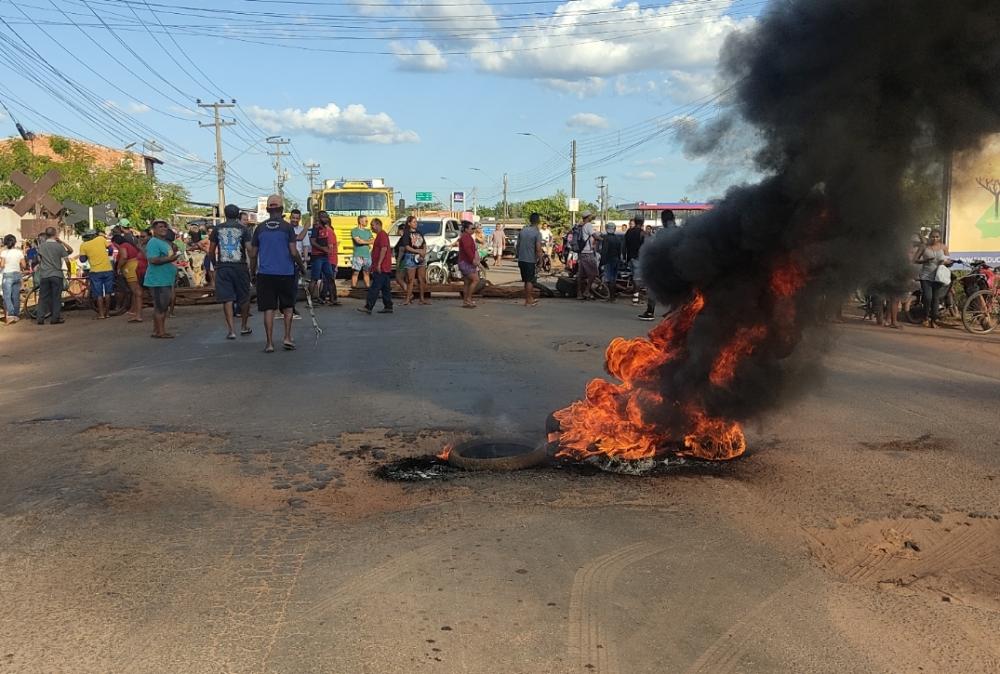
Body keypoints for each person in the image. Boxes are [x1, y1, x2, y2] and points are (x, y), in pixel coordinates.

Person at [250, 194, 306, 352]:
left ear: (268, 210)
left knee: (269, 309)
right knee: (288, 307)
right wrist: (301, 267)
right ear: (282, 210)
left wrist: (252, 272)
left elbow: (253, 254)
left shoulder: (259, 228)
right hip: (286, 273)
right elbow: (294, 252)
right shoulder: (288, 228)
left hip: (265, 274)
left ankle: (269, 343)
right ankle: (287, 337)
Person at [210, 204, 254, 340]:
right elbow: (250, 250)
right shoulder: (243, 229)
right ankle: (244, 326)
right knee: (244, 297)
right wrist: (252, 268)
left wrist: (216, 264)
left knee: (227, 299)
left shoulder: (217, 229)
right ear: (237, 214)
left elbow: (211, 250)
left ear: (225, 213)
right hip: (240, 266)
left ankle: (231, 330)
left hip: (223, 266)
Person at [143, 220, 179, 338]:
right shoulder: (154, 242)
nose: (163, 229)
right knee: (161, 307)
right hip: (158, 280)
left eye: (165, 227)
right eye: (160, 227)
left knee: (161, 306)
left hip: (165, 278)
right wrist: (171, 259)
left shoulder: (163, 242)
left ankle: (157, 330)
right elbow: (153, 260)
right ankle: (160, 332)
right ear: (154, 230)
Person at [914, 227, 951, 328]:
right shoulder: (924, 247)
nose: (934, 239)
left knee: (936, 299)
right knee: (927, 297)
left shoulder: (944, 247)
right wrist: (925, 261)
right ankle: (925, 317)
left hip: (939, 276)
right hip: (926, 276)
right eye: (933, 237)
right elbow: (915, 259)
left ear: (939, 238)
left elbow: (949, 261)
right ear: (929, 237)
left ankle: (934, 320)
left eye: (937, 237)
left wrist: (944, 262)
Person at [35, 227, 72, 325]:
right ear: (55, 234)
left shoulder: (41, 247)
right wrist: (69, 271)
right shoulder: (59, 246)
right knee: (56, 297)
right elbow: (68, 258)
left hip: (45, 275)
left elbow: (39, 259)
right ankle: (55, 318)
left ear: (46, 235)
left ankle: (40, 318)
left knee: (43, 297)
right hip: (57, 274)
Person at [357, 217, 393, 315]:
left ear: (378, 224)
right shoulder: (380, 235)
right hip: (384, 266)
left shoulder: (382, 235)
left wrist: (379, 264)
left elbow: (384, 249)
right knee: (385, 288)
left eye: (372, 225)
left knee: (374, 287)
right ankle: (388, 306)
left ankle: (368, 306)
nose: (371, 227)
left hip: (382, 266)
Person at [79, 229, 115, 319]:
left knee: (98, 294)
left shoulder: (83, 245)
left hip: (95, 272)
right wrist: (108, 254)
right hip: (108, 269)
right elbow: (111, 248)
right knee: (108, 292)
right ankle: (107, 313)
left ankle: (101, 314)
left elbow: (82, 260)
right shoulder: (101, 239)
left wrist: (88, 255)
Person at [112, 234, 143, 322]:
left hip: (130, 269)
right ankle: (135, 311)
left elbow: (124, 257)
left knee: (136, 291)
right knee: (137, 291)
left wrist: (118, 267)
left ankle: (138, 314)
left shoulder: (123, 246)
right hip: (136, 266)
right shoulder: (129, 245)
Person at [516, 212, 544, 307]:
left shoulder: (523, 231)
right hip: (530, 260)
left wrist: (518, 256)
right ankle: (529, 300)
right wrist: (540, 261)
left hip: (522, 259)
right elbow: (538, 248)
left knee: (526, 280)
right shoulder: (537, 233)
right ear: (538, 221)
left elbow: (518, 246)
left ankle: (528, 299)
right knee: (530, 281)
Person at [309, 211, 336, 305]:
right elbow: (312, 242)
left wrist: (327, 249)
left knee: (330, 278)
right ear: (319, 218)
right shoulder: (316, 228)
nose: (326, 218)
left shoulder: (326, 228)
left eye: (326, 217)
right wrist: (323, 248)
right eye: (323, 217)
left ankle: (333, 300)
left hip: (325, 257)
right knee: (314, 278)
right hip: (317, 257)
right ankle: (310, 301)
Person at [401, 215, 429, 305]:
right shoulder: (406, 233)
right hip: (410, 256)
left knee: (422, 278)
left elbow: (424, 243)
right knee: (410, 279)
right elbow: (407, 246)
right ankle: (407, 299)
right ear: (409, 223)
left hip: (421, 256)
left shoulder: (419, 232)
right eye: (413, 222)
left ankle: (422, 298)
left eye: (416, 222)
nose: (415, 223)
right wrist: (417, 251)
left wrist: (423, 252)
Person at [1, 234, 27, 324]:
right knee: (15, 296)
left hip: (7, 275)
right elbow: (24, 265)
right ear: (15, 242)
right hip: (17, 275)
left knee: (6, 296)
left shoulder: (4, 252)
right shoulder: (19, 252)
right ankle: (16, 315)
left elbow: (2, 265)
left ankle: (11, 314)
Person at [457, 219, 480, 308]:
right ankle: (468, 299)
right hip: (466, 262)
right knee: (475, 280)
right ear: (466, 229)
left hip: (465, 261)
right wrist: (473, 260)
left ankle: (465, 301)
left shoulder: (466, 236)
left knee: (467, 282)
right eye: (472, 228)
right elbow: (468, 250)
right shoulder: (466, 237)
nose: (473, 230)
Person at [576, 212, 599, 300]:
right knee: (593, 273)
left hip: (581, 252)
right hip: (588, 252)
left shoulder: (581, 226)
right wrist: (603, 239)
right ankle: (586, 291)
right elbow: (595, 236)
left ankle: (579, 293)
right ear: (588, 217)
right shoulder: (588, 225)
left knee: (581, 274)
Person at [600, 222, 623, 302]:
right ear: (614, 229)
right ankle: (613, 297)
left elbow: (604, 251)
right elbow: (620, 251)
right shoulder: (618, 239)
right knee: (613, 279)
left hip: (609, 260)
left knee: (609, 279)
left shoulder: (606, 238)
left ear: (606, 229)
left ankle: (611, 297)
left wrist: (601, 262)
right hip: (616, 260)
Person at [350, 215, 373, 289]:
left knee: (366, 272)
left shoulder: (368, 231)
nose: (367, 222)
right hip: (358, 255)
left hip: (367, 255)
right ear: (360, 221)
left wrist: (363, 241)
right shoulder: (354, 231)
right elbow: (358, 241)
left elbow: (373, 240)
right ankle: (353, 287)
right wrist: (367, 242)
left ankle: (368, 287)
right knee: (356, 272)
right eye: (365, 221)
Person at [394, 219, 410, 289]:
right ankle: (408, 293)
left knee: (398, 278)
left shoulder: (403, 239)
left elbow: (401, 251)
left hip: (403, 260)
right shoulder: (408, 238)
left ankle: (408, 293)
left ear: (401, 230)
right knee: (406, 278)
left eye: (398, 230)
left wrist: (398, 263)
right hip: (408, 261)